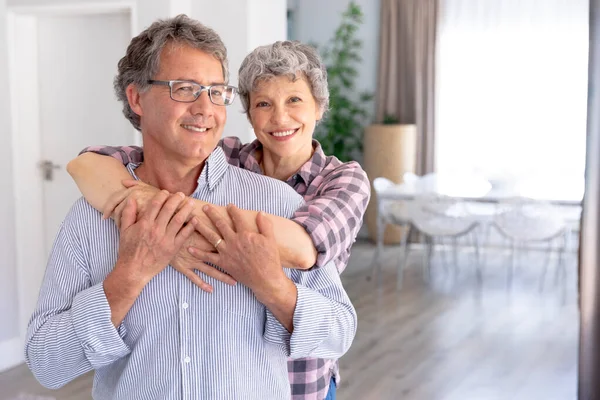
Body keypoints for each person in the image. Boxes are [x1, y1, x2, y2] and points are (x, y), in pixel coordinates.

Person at [25, 15, 357, 400]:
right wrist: (128, 278)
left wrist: (273, 286)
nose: (206, 108)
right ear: (136, 98)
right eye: (185, 89)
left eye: (217, 92)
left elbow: (339, 332)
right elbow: (45, 364)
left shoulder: (279, 204)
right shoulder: (90, 217)